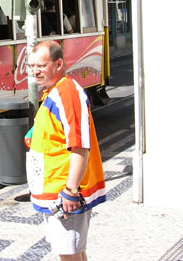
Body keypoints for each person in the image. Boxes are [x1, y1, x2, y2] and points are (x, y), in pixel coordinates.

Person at [25, 41, 106, 261]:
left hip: (63, 193)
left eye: (41, 66)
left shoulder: (67, 93)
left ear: (59, 63)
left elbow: (80, 145)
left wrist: (70, 191)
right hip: (56, 189)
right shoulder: (54, 92)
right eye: (32, 66)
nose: (35, 71)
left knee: (68, 254)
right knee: (73, 252)